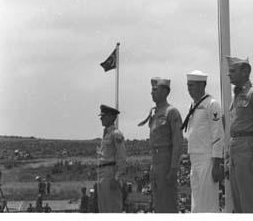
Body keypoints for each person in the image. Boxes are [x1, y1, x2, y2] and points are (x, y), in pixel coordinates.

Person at [226, 55, 253, 213]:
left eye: (232, 70)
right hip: (236, 150)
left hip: (248, 150)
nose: (228, 74)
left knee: (251, 201)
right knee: (238, 203)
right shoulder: (236, 97)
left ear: (245, 72)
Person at [138, 77, 183, 212]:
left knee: (168, 202)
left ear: (164, 92)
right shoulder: (155, 112)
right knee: (157, 203)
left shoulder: (171, 112)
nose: (151, 93)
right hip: (155, 161)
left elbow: (178, 141)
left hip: (166, 160)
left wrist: (174, 167)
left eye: (155, 90)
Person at [182, 69, 224, 212]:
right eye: (188, 85)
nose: (188, 89)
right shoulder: (193, 105)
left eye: (191, 85)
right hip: (195, 159)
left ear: (202, 85)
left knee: (208, 203)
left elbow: (218, 133)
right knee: (196, 204)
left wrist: (217, 163)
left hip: (208, 158)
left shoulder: (211, 104)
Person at [96, 104, 127, 212]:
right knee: (103, 209)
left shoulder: (116, 134)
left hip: (110, 173)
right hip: (102, 173)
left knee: (113, 208)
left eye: (103, 116)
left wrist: (117, 178)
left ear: (111, 117)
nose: (101, 118)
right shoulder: (106, 134)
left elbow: (122, 157)